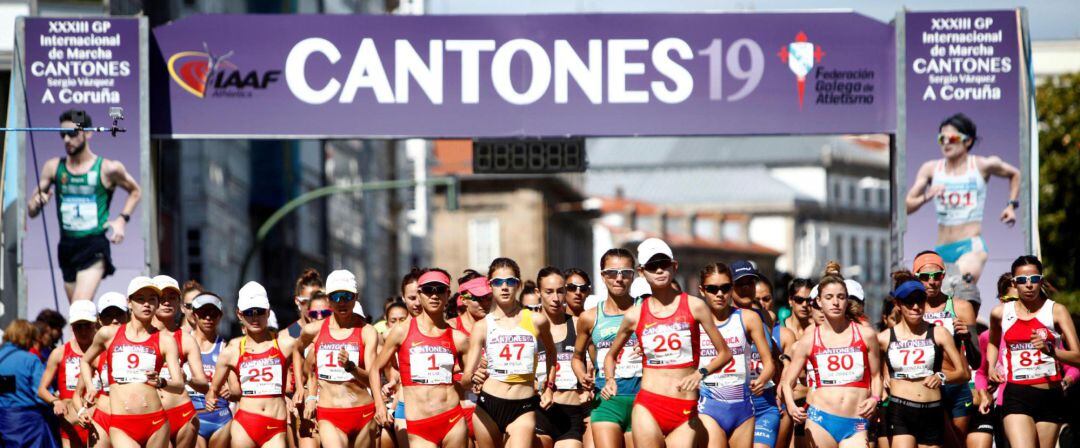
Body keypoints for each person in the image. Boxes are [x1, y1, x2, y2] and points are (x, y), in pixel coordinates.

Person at [601, 239, 734, 447]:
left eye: (664, 264)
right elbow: (610, 355)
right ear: (642, 272)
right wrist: (610, 379)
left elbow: (725, 353)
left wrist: (701, 373)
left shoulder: (695, 306)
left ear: (675, 266)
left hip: (685, 407)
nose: (660, 270)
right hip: (648, 405)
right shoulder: (634, 315)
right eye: (653, 266)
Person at [905, 113, 1021, 305]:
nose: (946, 143)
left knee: (958, 291)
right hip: (941, 249)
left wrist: (1011, 205)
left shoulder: (982, 165)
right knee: (937, 302)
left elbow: (1014, 173)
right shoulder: (931, 169)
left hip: (970, 247)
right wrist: (927, 196)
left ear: (968, 141)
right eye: (941, 138)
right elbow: (908, 206)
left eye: (952, 138)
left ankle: (970, 327)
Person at [27, 109, 142, 302]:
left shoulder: (108, 168)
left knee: (80, 307)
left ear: (88, 133)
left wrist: (122, 220)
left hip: (94, 244)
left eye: (72, 133)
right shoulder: (53, 167)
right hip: (67, 246)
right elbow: (31, 211)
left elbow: (135, 191)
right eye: (62, 134)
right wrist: (37, 202)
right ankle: (99, 330)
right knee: (78, 317)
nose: (66, 140)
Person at [369, 268, 472, 448]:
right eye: (428, 290)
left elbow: (467, 381)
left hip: (452, 420)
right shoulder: (401, 332)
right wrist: (379, 404)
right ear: (419, 293)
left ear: (448, 295)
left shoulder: (459, 338)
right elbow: (375, 368)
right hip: (419, 426)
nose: (434, 295)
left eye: (439, 290)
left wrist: (475, 376)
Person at [462, 258, 558, 448]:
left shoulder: (537, 320)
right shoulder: (482, 326)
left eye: (510, 281)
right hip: (488, 406)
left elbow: (552, 354)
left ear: (519, 285)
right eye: (498, 282)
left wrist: (549, 387)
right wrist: (473, 378)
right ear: (490, 286)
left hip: (523, 406)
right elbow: (465, 379)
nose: (504, 287)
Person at [79, 276, 185, 448]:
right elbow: (85, 361)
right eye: (140, 299)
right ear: (129, 303)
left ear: (157, 304)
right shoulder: (108, 334)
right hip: (121, 423)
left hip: (156, 421)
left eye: (152, 299)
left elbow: (179, 385)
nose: (147, 304)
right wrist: (90, 387)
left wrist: (161, 382)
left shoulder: (165, 340)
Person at [986, 255, 1080, 448]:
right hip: (1016, 395)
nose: (1028, 285)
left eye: (1034, 279)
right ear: (1014, 282)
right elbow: (993, 343)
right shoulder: (1000, 313)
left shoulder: (1056, 311)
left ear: (1041, 281)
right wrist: (991, 366)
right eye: (1022, 280)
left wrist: (1052, 351)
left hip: (1050, 395)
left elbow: (1077, 357)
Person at [781, 275, 883, 448]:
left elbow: (876, 376)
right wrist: (791, 406)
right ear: (819, 302)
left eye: (841, 297)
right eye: (829, 297)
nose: (835, 302)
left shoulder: (866, 335)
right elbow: (787, 383)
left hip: (856, 422)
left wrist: (874, 399)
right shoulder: (809, 339)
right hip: (821, 421)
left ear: (846, 301)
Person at [204, 281, 304, 448]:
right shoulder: (232, 350)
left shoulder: (286, 343)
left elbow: (307, 341)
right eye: (249, 312)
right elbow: (212, 390)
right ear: (239, 314)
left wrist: (301, 389)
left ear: (268, 312)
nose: (255, 318)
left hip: (275, 425)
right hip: (245, 425)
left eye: (260, 312)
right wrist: (211, 398)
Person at [291, 270, 379, 448]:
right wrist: (304, 391)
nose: (342, 302)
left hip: (362, 412)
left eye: (347, 296)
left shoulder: (367, 331)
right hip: (329, 414)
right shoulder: (313, 330)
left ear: (356, 297)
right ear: (328, 299)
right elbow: (297, 350)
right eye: (336, 297)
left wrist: (351, 367)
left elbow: (372, 379)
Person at [878, 280, 969, 448]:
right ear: (898, 304)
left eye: (919, 300)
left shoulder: (939, 333)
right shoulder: (883, 338)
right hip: (901, 409)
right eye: (909, 302)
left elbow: (964, 373)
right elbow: (872, 371)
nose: (915, 307)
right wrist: (882, 380)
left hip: (932, 410)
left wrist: (941, 376)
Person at [697, 262, 775, 448]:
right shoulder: (695, 320)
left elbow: (769, 363)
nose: (719, 294)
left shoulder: (748, 317)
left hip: (743, 407)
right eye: (712, 289)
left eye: (725, 288)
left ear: (732, 288)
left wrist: (762, 379)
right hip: (709, 406)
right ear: (702, 290)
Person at [571, 248, 642, 448]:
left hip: (642, 399)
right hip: (606, 400)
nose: (618, 279)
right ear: (603, 276)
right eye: (612, 272)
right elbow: (577, 356)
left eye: (625, 273)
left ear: (633, 275)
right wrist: (581, 375)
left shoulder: (645, 309)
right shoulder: (590, 317)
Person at [912, 251, 978, 444]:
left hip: (956, 386)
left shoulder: (962, 307)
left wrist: (966, 337)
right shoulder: (910, 311)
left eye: (937, 276)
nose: (931, 282)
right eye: (925, 277)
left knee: (955, 443)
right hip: (925, 387)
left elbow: (976, 360)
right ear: (916, 277)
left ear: (944, 276)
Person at [730, 261, 791, 448]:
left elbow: (773, 355)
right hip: (731, 404)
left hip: (764, 403)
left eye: (751, 282)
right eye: (741, 283)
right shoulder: (721, 317)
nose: (747, 288)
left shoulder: (767, 317)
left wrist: (780, 385)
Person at [151, 275, 210, 448]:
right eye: (162, 298)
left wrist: (187, 379)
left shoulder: (185, 339)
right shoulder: (140, 337)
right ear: (153, 301)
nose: (167, 303)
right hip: (151, 413)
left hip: (182, 413)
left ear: (179, 304)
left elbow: (204, 385)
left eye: (172, 298)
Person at [533, 267, 590, 448]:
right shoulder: (528, 328)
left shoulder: (578, 324)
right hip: (538, 413)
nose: (556, 298)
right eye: (549, 292)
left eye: (560, 291)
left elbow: (597, 363)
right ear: (538, 293)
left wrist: (590, 384)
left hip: (571, 413)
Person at [72, 291, 130, 448]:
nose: (114, 320)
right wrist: (81, 412)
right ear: (99, 320)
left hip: (134, 418)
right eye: (108, 316)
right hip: (104, 418)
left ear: (128, 315)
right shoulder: (96, 354)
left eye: (119, 314)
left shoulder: (145, 344)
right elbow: (77, 395)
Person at [38, 300, 99, 448]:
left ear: (96, 324)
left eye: (87, 325)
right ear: (72, 327)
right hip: (70, 424)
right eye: (78, 326)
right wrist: (55, 401)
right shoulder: (59, 353)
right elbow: (41, 389)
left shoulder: (104, 351)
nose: (83, 331)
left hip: (99, 421)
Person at [0, 319, 60, 448]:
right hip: (30, 426)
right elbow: (42, 393)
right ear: (27, 337)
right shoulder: (30, 360)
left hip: (4, 423)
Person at [188, 292, 234, 448]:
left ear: (220, 316)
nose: (208, 318)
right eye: (203, 313)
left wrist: (230, 390)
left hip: (220, 416)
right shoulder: (182, 343)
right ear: (194, 315)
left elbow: (237, 391)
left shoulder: (225, 347)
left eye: (213, 314)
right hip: (192, 414)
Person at [780, 278, 816, 448]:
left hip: (811, 403)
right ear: (790, 300)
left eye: (809, 300)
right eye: (799, 300)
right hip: (785, 403)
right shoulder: (779, 329)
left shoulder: (819, 330)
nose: (804, 305)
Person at [287, 269, 325, 339]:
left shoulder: (331, 329)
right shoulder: (290, 334)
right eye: (306, 301)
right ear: (297, 301)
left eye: (315, 299)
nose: (311, 305)